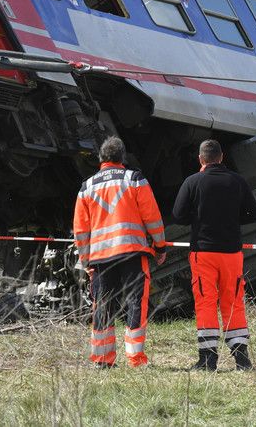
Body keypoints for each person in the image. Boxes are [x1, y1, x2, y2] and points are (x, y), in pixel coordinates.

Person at [74, 136, 167, 368]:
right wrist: (160, 246)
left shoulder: (87, 187)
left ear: (101, 158)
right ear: (122, 157)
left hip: (101, 258)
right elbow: (152, 216)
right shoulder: (135, 179)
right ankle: (136, 359)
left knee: (103, 305)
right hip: (132, 252)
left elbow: (81, 230)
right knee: (137, 302)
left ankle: (102, 359)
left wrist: (86, 261)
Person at [173, 139, 256, 371]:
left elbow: (178, 215)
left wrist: (199, 217)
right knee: (234, 301)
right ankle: (241, 359)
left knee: (206, 302)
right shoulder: (237, 181)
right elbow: (254, 214)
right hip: (232, 253)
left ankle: (208, 359)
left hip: (203, 253)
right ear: (221, 157)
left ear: (201, 159)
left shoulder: (192, 182)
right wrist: (231, 219)